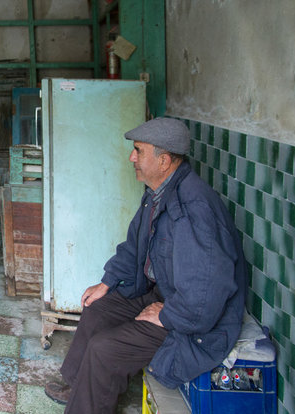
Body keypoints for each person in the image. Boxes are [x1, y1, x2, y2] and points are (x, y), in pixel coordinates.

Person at [44, 118, 247, 413]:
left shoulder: (193, 210)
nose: (131, 157)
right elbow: (135, 248)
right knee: (97, 310)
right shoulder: (158, 194)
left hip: (193, 320)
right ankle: (80, 387)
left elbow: (207, 290)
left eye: (138, 151)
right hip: (167, 296)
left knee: (105, 349)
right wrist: (107, 282)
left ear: (163, 161)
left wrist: (168, 314)